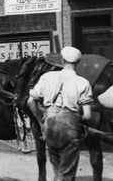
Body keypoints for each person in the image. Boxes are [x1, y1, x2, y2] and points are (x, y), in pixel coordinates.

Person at [27, 46, 93, 181]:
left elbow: (30, 102)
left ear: (62, 60)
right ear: (78, 63)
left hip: (50, 127)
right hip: (70, 129)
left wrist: (41, 120)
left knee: (57, 170)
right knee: (66, 174)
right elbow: (87, 115)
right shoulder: (83, 83)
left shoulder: (47, 77)